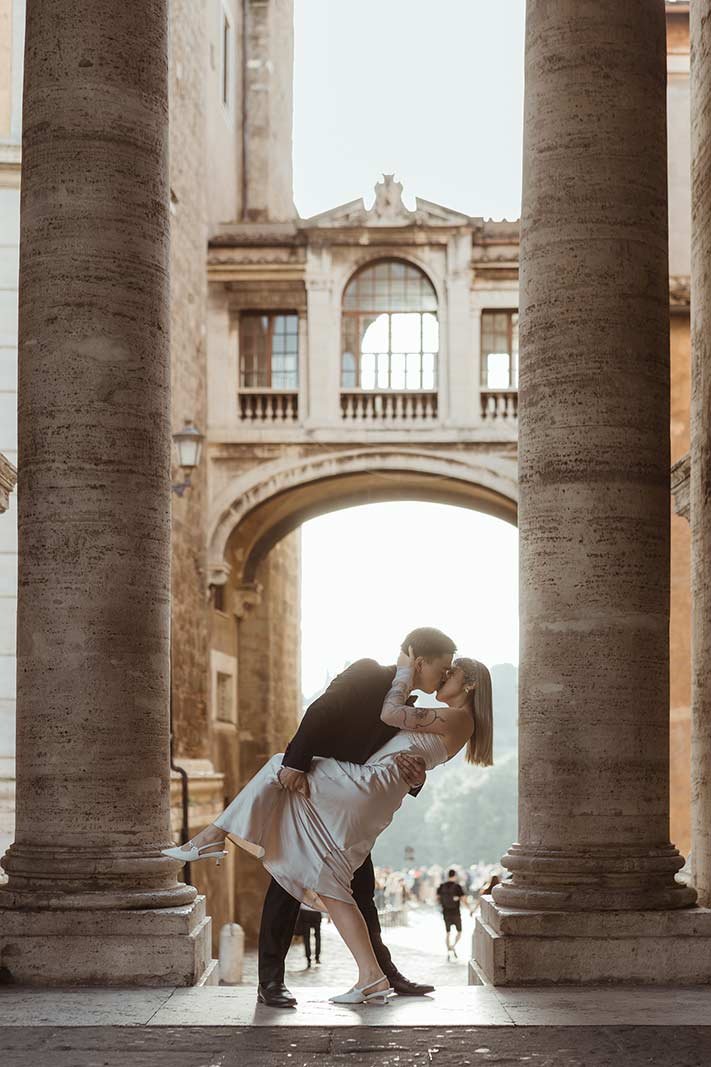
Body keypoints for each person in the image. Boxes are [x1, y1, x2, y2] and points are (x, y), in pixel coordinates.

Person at [163, 635, 493, 1008]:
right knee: (306, 880)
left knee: (344, 885)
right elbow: (319, 712)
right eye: (443, 665)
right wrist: (297, 764)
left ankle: (377, 972)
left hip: (346, 795)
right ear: (421, 661)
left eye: (452, 669)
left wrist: (415, 777)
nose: (445, 673)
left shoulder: (415, 705)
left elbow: (403, 753)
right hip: (325, 785)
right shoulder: (369, 673)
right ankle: (288, 980)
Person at [436, 868, 472, 960]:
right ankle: (453, 946)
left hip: (445, 912)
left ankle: (448, 950)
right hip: (456, 912)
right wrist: (470, 909)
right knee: (459, 932)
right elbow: (464, 900)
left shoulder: (441, 886)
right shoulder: (457, 887)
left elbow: (437, 899)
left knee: (448, 933)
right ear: (455, 876)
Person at [293, 902, 322, 967]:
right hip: (316, 911)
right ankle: (317, 957)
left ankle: (308, 959)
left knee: (306, 938)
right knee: (317, 937)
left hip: (305, 912)